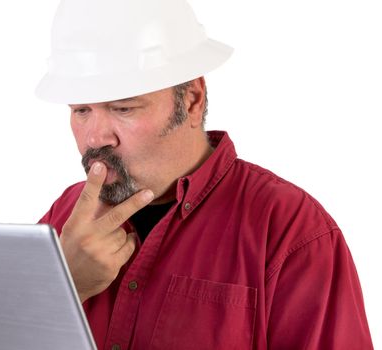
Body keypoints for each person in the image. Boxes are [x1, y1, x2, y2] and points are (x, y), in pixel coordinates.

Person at [36, 0, 373, 349]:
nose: (95, 137)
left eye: (123, 107)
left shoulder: (290, 230)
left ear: (193, 100)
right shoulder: (65, 216)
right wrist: (63, 287)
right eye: (81, 110)